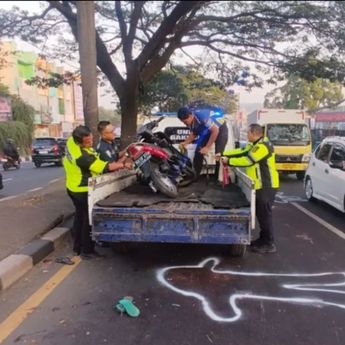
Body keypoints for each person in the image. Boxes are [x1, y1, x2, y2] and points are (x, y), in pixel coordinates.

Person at [64, 125, 132, 259]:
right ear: (79, 142)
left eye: (91, 137)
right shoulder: (82, 157)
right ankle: (87, 251)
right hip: (82, 190)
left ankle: (77, 247)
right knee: (87, 221)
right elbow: (106, 167)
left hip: (71, 186)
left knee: (79, 217)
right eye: (88, 141)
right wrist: (124, 165)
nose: (91, 142)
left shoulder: (71, 141)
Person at [219, 124, 279, 254]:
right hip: (258, 185)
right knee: (260, 214)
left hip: (266, 185)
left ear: (253, 133)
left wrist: (228, 162)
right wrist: (224, 154)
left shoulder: (263, 146)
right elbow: (241, 151)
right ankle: (263, 240)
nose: (246, 135)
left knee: (265, 216)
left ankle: (269, 243)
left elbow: (248, 160)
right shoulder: (254, 145)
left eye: (248, 133)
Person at [177, 106, 228, 179]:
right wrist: (185, 142)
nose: (184, 123)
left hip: (220, 128)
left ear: (191, 116)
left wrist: (207, 147)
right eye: (182, 122)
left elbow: (215, 131)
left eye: (185, 121)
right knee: (198, 150)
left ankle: (219, 179)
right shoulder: (190, 122)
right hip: (208, 130)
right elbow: (194, 133)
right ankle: (196, 175)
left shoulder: (202, 116)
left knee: (218, 154)